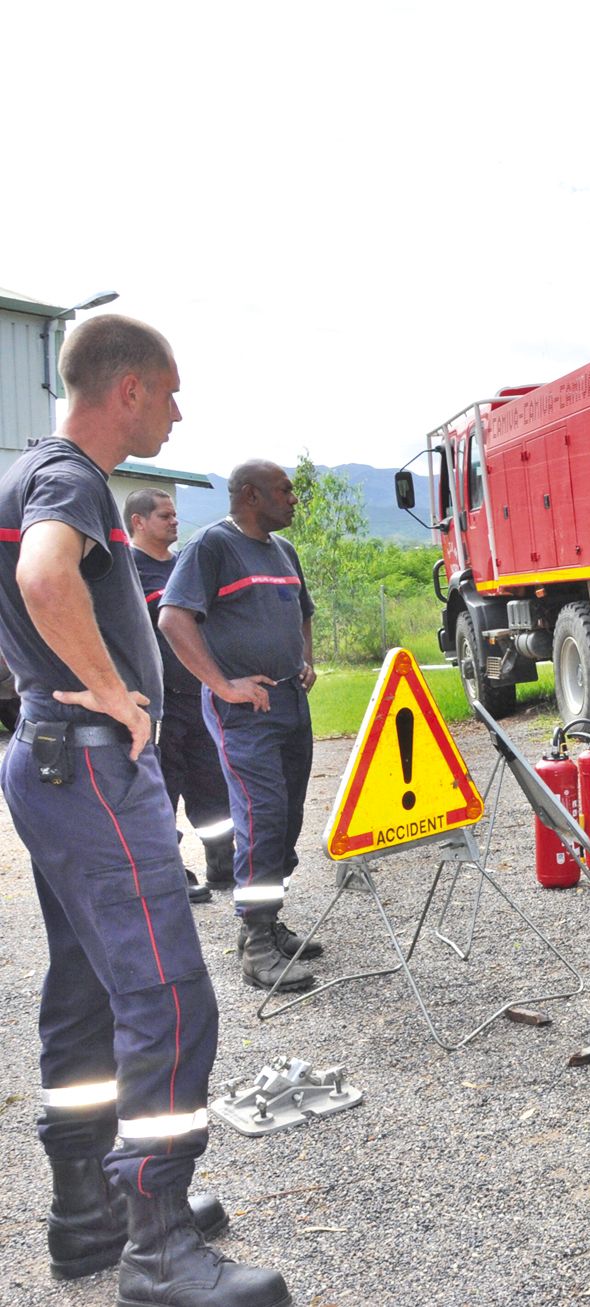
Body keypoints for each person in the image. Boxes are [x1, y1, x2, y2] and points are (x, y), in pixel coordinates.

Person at [0, 314, 291, 1304]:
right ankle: (160, 1240)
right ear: (127, 387)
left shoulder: (32, 470)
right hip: (86, 762)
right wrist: (112, 688)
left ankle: (88, 1211)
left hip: (51, 757)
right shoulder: (73, 474)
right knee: (170, 994)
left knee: (85, 986)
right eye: (170, 390)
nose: (178, 408)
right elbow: (42, 577)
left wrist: (46, 683)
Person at [160, 462, 323, 993]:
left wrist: (305, 657)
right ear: (251, 495)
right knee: (262, 815)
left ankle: (270, 923)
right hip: (243, 711)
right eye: (285, 490)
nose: (294, 498)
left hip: (289, 701)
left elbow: (302, 611)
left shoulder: (284, 551)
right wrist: (222, 685)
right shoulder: (211, 547)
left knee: (289, 817)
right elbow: (173, 617)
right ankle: (255, 947)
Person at [128, 487, 235, 904]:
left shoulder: (184, 566)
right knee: (162, 788)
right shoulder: (127, 572)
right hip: (160, 702)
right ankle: (169, 871)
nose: (175, 522)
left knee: (213, 784)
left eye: (175, 515)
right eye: (164, 516)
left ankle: (223, 864)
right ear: (138, 522)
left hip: (199, 695)